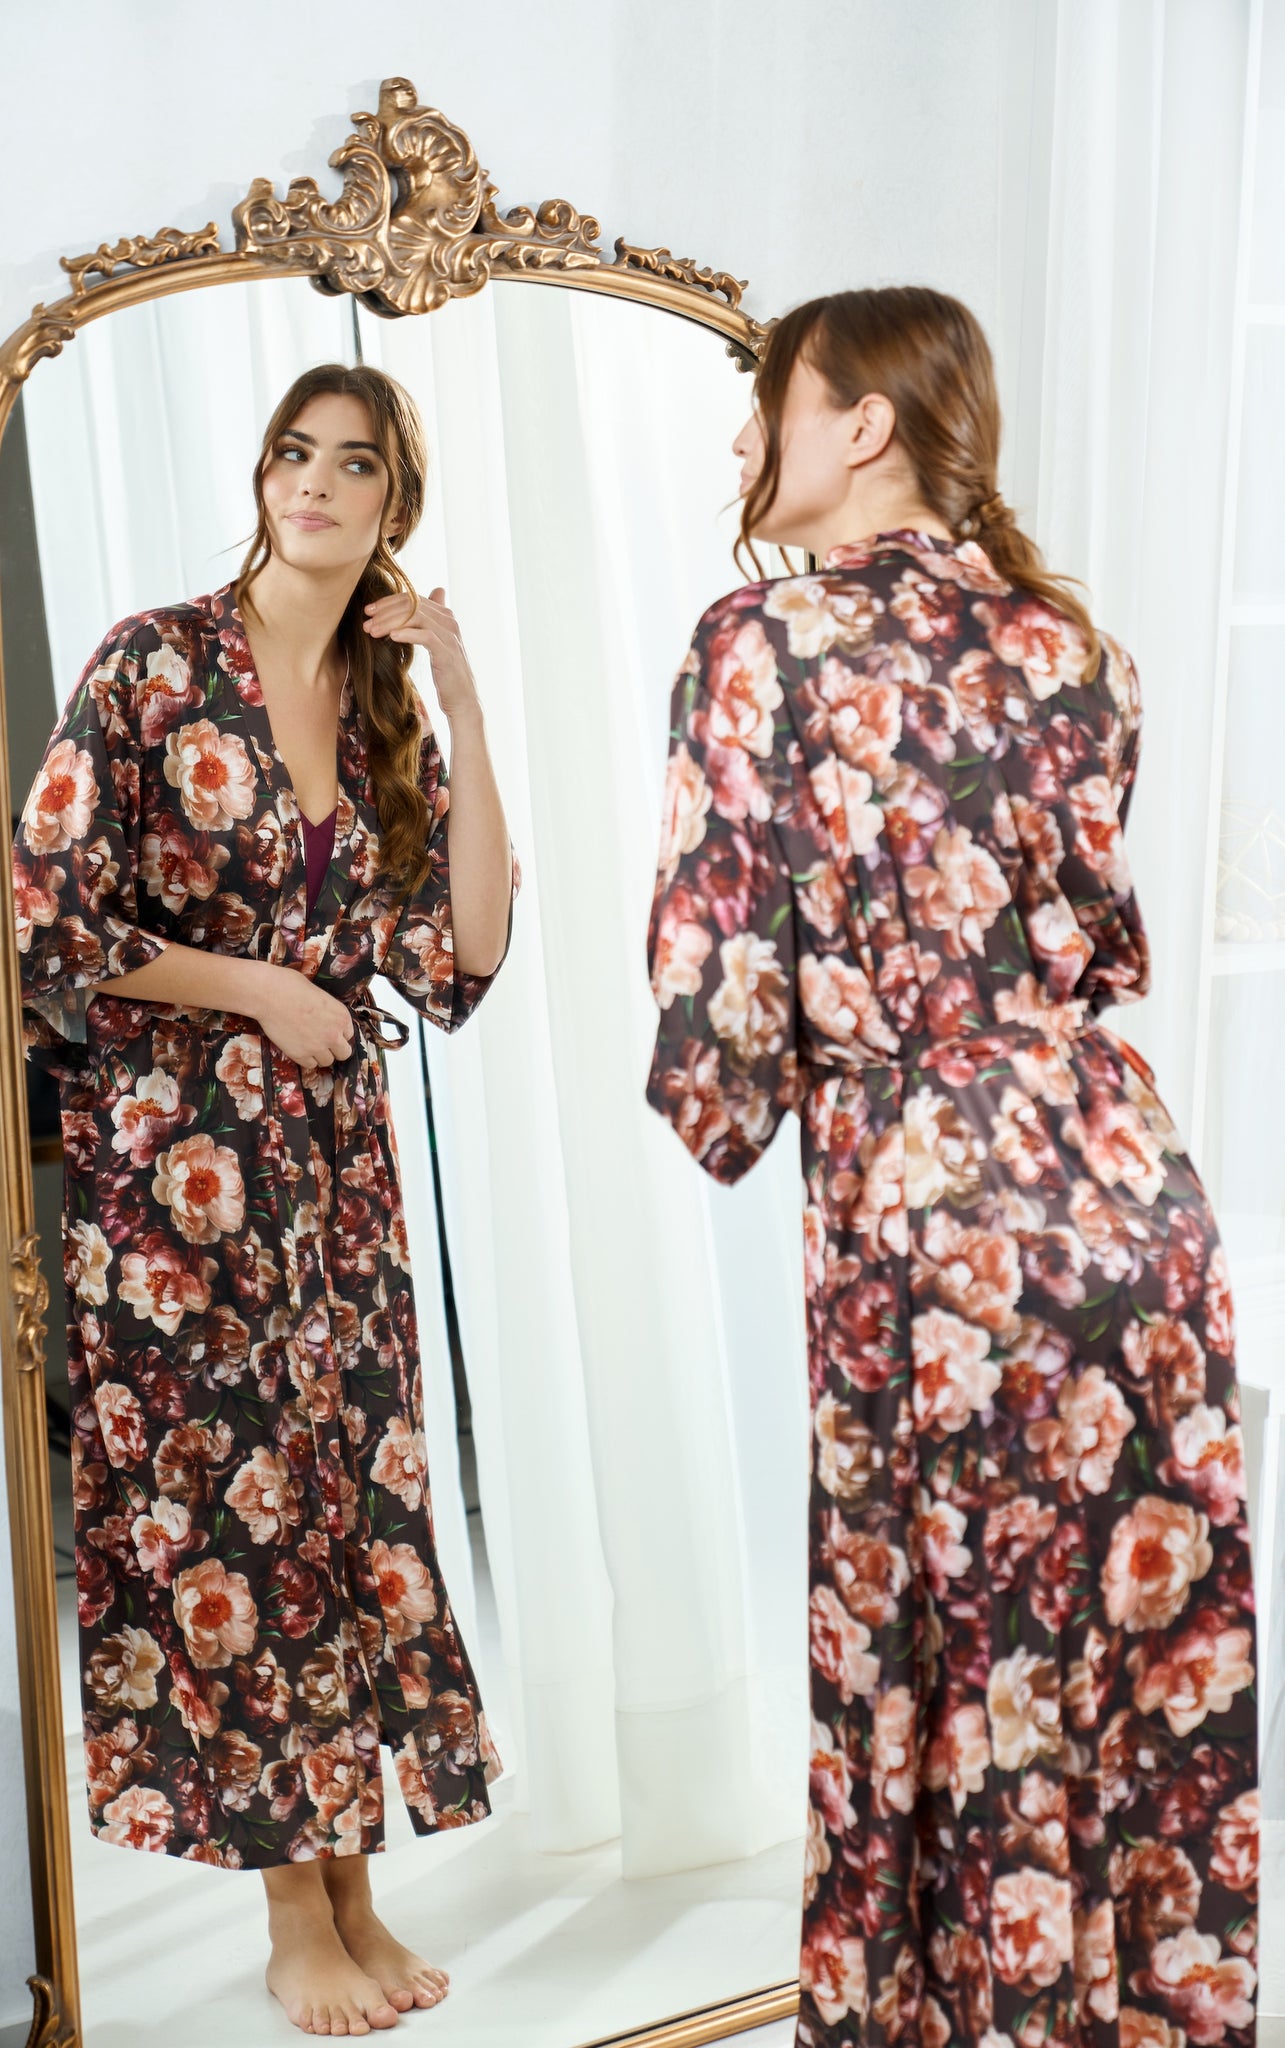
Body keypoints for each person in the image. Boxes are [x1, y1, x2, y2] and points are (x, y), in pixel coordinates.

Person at [645, 289, 1257, 2048]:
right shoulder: (1081, 647)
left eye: (771, 404)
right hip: (1128, 1182)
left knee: (947, 1643)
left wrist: (729, 1102)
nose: (745, 444)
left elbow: (717, 974)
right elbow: (1082, 926)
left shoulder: (760, 640)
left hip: (935, 1202)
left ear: (857, 427)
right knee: (1124, 1642)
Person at [13, 361, 516, 2037]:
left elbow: (470, 954)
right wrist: (252, 989)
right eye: (291, 453)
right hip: (177, 1189)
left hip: (333, 1189)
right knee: (237, 1526)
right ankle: (292, 1912)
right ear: (262, 474)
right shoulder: (152, 662)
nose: (311, 483)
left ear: (393, 506)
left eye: (351, 464)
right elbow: (46, 917)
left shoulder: (381, 710)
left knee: (348, 1511)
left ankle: (361, 1883)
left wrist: (454, 693)